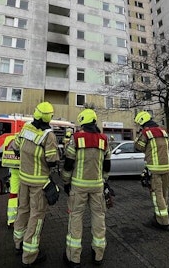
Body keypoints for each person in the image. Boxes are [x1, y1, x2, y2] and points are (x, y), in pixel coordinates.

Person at [12, 101, 59, 267]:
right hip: (39, 183)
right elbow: (52, 160)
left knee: (22, 210)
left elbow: (15, 147)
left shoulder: (25, 128)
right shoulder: (49, 135)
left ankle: (18, 243)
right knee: (37, 215)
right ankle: (30, 254)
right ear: (49, 117)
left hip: (24, 179)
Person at [62, 109, 111, 268]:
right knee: (99, 217)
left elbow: (68, 163)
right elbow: (107, 164)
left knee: (75, 218)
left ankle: (73, 257)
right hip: (97, 186)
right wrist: (104, 180)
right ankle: (98, 254)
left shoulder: (76, 139)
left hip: (78, 186)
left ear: (82, 122)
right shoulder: (104, 139)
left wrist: (65, 181)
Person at [134, 111, 169, 231]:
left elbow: (138, 146)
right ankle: (162, 215)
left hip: (154, 169)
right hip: (166, 168)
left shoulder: (146, 133)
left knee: (157, 195)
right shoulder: (164, 131)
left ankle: (162, 221)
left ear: (142, 123)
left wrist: (137, 138)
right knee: (164, 194)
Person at [1, 134, 21, 228]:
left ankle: (11, 220)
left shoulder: (9, 138)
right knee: (26, 195)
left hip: (13, 170)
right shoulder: (25, 138)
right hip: (24, 170)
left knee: (13, 195)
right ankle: (23, 219)